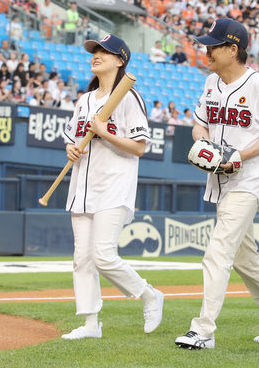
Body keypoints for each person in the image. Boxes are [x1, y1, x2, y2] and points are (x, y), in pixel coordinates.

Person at [175, 18, 259, 350]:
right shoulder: (211, 82)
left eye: (213, 45)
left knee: (218, 251)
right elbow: (199, 124)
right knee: (246, 260)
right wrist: (203, 144)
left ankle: (203, 330)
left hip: (247, 181)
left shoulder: (257, 84)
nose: (206, 50)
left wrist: (239, 154)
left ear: (233, 49)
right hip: (220, 181)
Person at [61, 34, 164, 340]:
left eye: (104, 51)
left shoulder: (129, 97)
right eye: (95, 51)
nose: (96, 55)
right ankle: (91, 324)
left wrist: (104, 132)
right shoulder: (84, 100)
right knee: (82, 259)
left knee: (103, 256)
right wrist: (71, 149)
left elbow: (139, 147)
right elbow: (72, 137)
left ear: (120, 60)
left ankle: (148, 294)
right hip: (81, 187)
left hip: (114, 186)